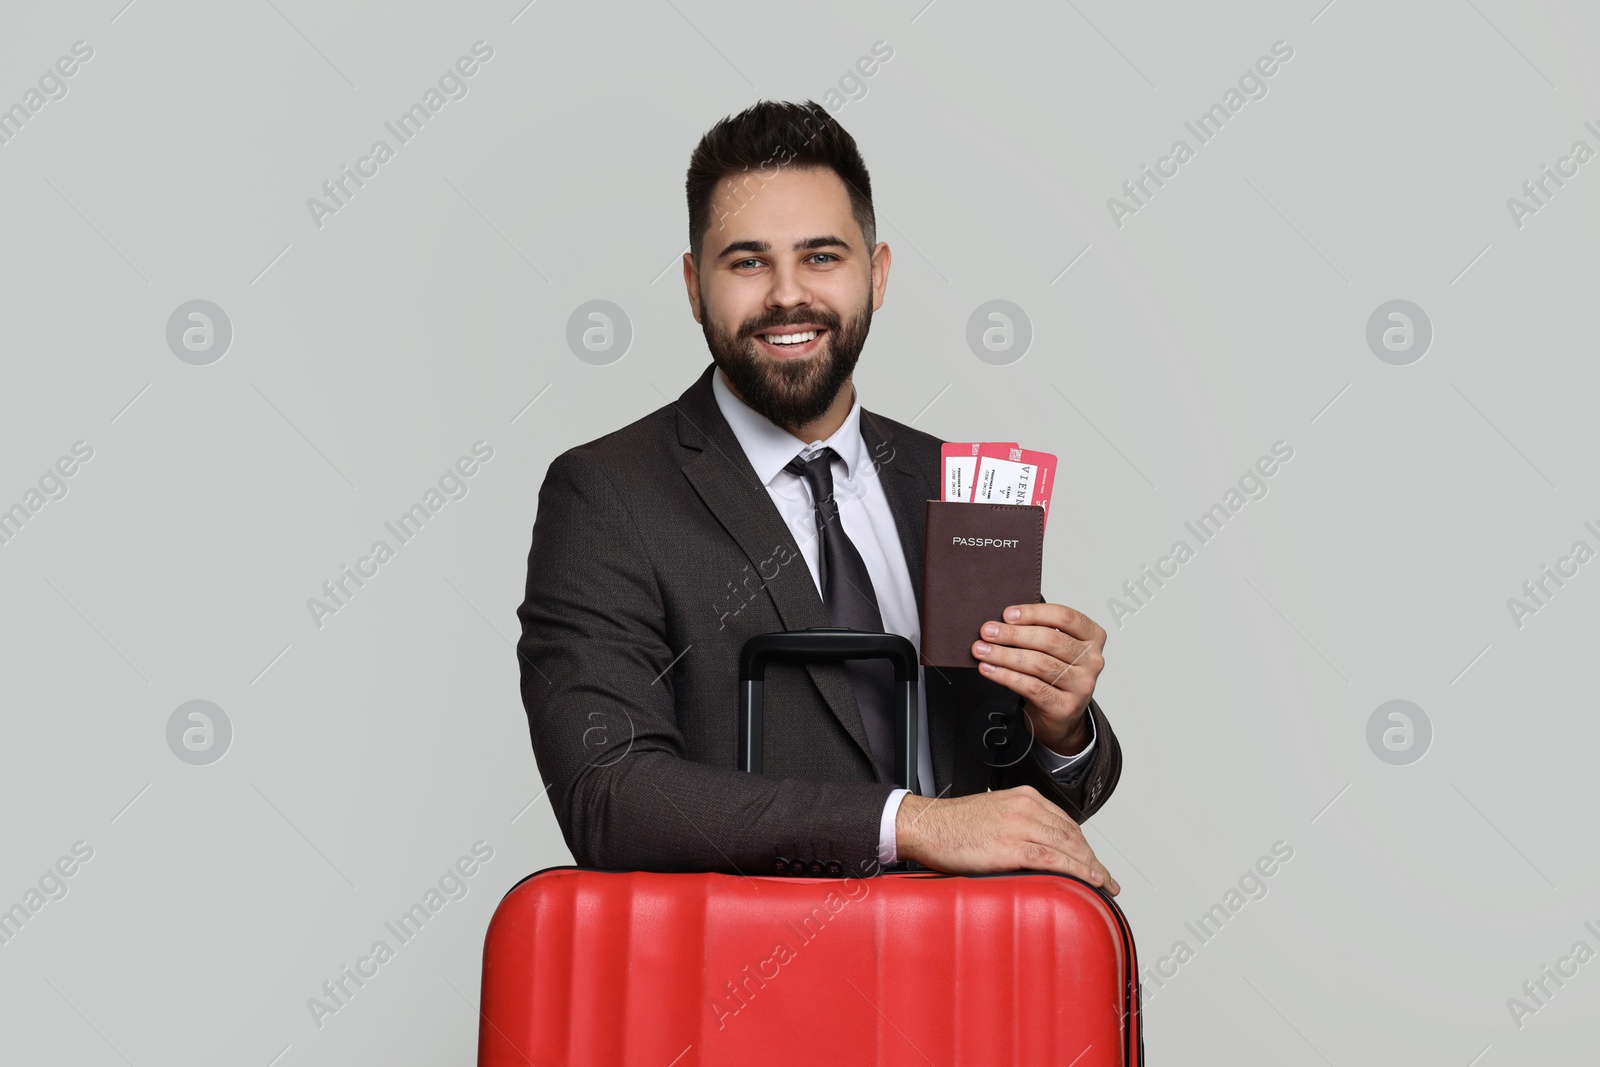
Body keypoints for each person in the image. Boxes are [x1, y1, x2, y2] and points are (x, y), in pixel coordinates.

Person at [516, 100, 1121, 892]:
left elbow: (1023, 794)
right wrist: (911, 822)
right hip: (751, 987)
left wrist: (1060, 724)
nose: (786, 295)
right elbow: (610, 792)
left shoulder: (946, 480)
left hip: (964, 980)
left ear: (878, 273)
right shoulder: (606, 495)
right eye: (747, 261)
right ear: (695, 286)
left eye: (822, 256)